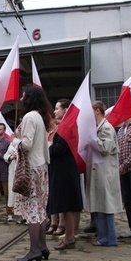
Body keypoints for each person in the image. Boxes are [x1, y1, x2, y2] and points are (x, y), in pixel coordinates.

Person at [15, 86, 52, 261]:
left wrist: (15, 141)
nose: (21, 98)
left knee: (32, 210)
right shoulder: (40, 117)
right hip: (42, 165)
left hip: (32, 167)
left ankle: (34, 249)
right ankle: (43, 246)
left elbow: (27, 144)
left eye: (23, 96)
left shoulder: (29, 117)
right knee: (40, 208)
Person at [86, 101, 123, 247]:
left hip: (105, 172)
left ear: (97, 111)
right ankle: (103, 237)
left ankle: (109, 238)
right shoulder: (99, 127)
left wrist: (92, 140)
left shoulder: (106, 128)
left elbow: (106, 147)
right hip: (99, 171)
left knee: (106, 207)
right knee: (100, 205)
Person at [49, 99, 84, 250]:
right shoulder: (67, 125)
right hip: (66, 169)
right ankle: (70, 235)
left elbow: (59, 149)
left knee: (68, 204)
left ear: (65, 110)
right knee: (68, 204)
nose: (55, 111)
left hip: (65, 170)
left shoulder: (66, 126)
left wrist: (48, 148)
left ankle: (69, 237)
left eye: (57, 109)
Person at [3, 133, 25, 223]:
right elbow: (5, 156)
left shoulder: (24, 143)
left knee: (22, 192)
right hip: (13, 170)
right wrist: (11, 157)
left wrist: (19, 155)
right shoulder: (11, 145)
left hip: (22, 170)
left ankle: (24, 216)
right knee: (13, 192)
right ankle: (14, 213)